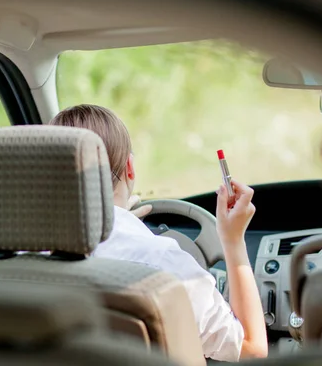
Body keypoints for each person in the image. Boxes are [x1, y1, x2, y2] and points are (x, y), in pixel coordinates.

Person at [50, 104, 268, 361]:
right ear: (129, 168)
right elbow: (252, 350)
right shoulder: (162, 266)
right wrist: (233, 241)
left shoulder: (12, 256)